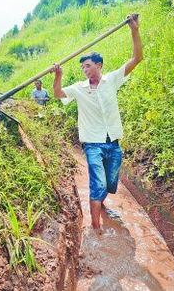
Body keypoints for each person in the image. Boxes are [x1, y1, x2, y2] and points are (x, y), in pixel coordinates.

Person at [52, 13, 142, 234]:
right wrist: (58, 76)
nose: (85, 70)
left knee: (111, 184)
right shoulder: (79, 89)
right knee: (98, 184)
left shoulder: (112, 80)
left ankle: (101, 202)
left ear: (99, 65)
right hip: (92, 144)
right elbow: (57, 94)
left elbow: (137, 58)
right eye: (83, 67)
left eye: (89, 66)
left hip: (113, 142)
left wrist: (134, 30)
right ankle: (96, 227)